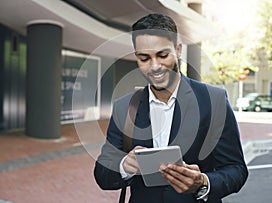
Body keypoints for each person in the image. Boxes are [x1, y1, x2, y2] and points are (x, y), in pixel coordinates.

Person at [94, 13, 248, 203]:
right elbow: (102, 175)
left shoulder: (214, 100)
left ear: (178, 49)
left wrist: (202, 182)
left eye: (163, 55)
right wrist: (125, 165)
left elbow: (236, 169)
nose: (155, 66)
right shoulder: (124, 107)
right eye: (144, 58)